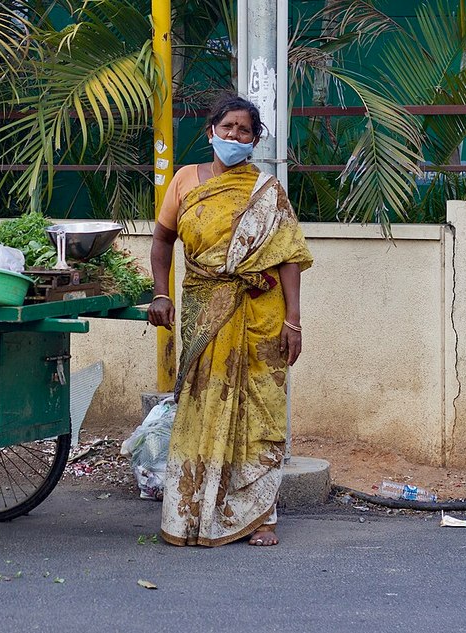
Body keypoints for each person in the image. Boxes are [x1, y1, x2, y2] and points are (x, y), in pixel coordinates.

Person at [147, 93, 313, 547]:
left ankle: (261, 515)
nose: (235, 136)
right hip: (204, 307)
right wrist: (161, 293)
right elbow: (162, 242)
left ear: (254, 140)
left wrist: (293, 321)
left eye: (245, 131)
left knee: (258, 407)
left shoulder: (267, 191)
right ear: (210, 132)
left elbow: (290, 259)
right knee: (202, 404)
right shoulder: (184, 180)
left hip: (260, 311)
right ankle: (191, 509)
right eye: (228, 128)